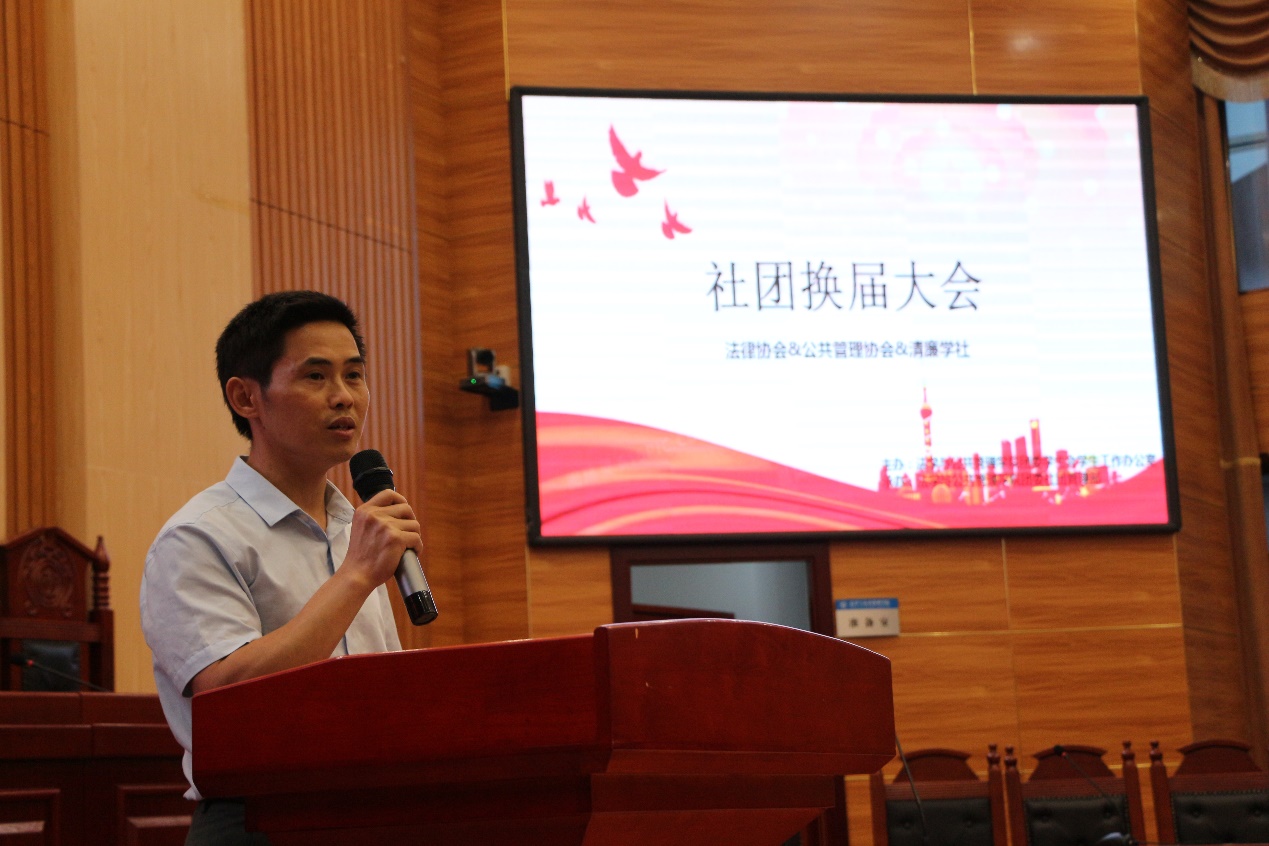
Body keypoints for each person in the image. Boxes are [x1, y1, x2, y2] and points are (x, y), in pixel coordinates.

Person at [141, 290, 419, 845]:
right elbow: (228, 697)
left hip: (373, 811)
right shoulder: (198, 537)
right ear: (246, 397)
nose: (344, 397)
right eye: (316, 376)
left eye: (354, 375)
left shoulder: (355, 528)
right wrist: (355, 577)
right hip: (259, 819)